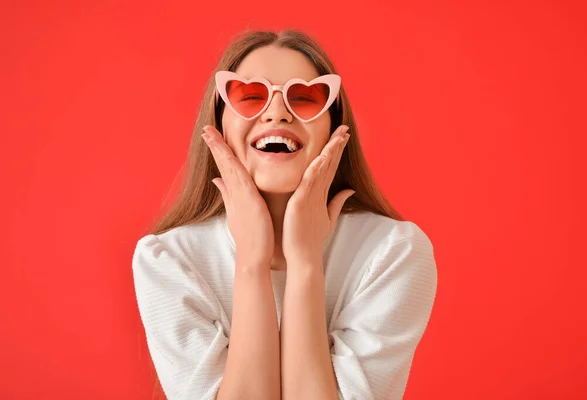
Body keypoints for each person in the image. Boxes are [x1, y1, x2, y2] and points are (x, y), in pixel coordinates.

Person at [132, 29, 438, 400]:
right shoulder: (168, 260)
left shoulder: (392, 253)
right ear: (219, 120)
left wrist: (306, 261)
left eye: (305, 98)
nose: (277, 112)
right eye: (250, 96)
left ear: (334, 126)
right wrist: (251, 262)